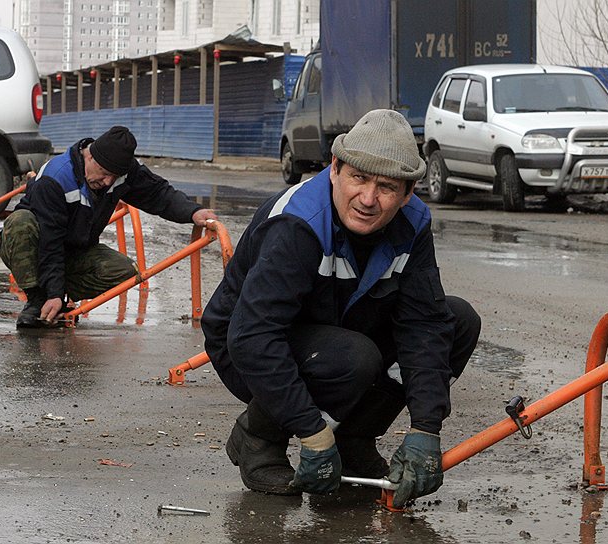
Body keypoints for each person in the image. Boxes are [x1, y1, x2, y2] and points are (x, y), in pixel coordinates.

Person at [201, 109, 481, 508]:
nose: (368, 199)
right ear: (335, 168)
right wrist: (311, 434)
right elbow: (252, 336)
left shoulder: (413, 223)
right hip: (248, 345)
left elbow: (425, 323)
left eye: (386, 186)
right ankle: (258, 437)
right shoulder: (298, 221)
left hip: (338, 326)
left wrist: (425, 429)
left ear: (408, 193)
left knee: (458, 321)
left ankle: (354, 439)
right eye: (359, 178)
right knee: (352, 357)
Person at [0, 125, 218, 328]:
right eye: (103, 173)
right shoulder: (56, 177)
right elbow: (50, 240)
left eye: (114, 176)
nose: (107, 182)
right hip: (35, 247)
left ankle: (56, 297)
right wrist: (52, 293)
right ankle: (37, 300)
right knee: (20, 223)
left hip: (76, 251)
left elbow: (158, 193)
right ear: (90, 155)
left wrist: (193, 212)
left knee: (123, 271)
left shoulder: (121, 172)